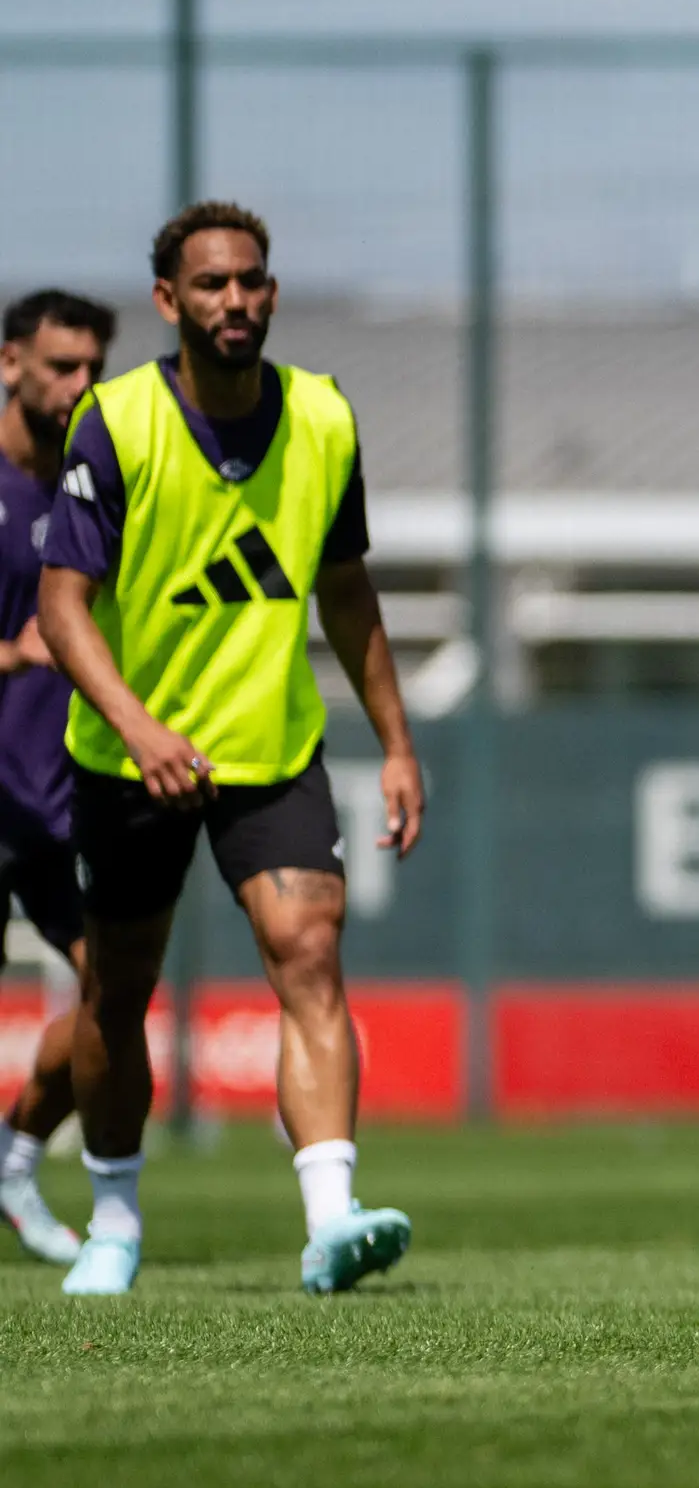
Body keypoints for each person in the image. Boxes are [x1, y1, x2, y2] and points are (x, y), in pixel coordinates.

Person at [36, 203, 428, 1299]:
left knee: (308, 947)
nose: (235, 302)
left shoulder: (324, 418)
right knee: (118, 991)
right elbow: (64, 608)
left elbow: (347, 592)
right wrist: (139, 727)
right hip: (128, 761)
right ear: (169, 302)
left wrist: (397, 742)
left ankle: (332, 1218)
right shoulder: (115, 425)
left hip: (269, 746)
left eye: (251, 282)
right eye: (210, 285)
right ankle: (113, 1216)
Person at [0, 291, 114, 1265]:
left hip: (54, 802)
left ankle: (16, 1159)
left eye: (93, 367)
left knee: (109, 996)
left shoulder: (94, 488)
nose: (81, 384)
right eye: (62, 366)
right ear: (11, 364)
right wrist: (15, 652)